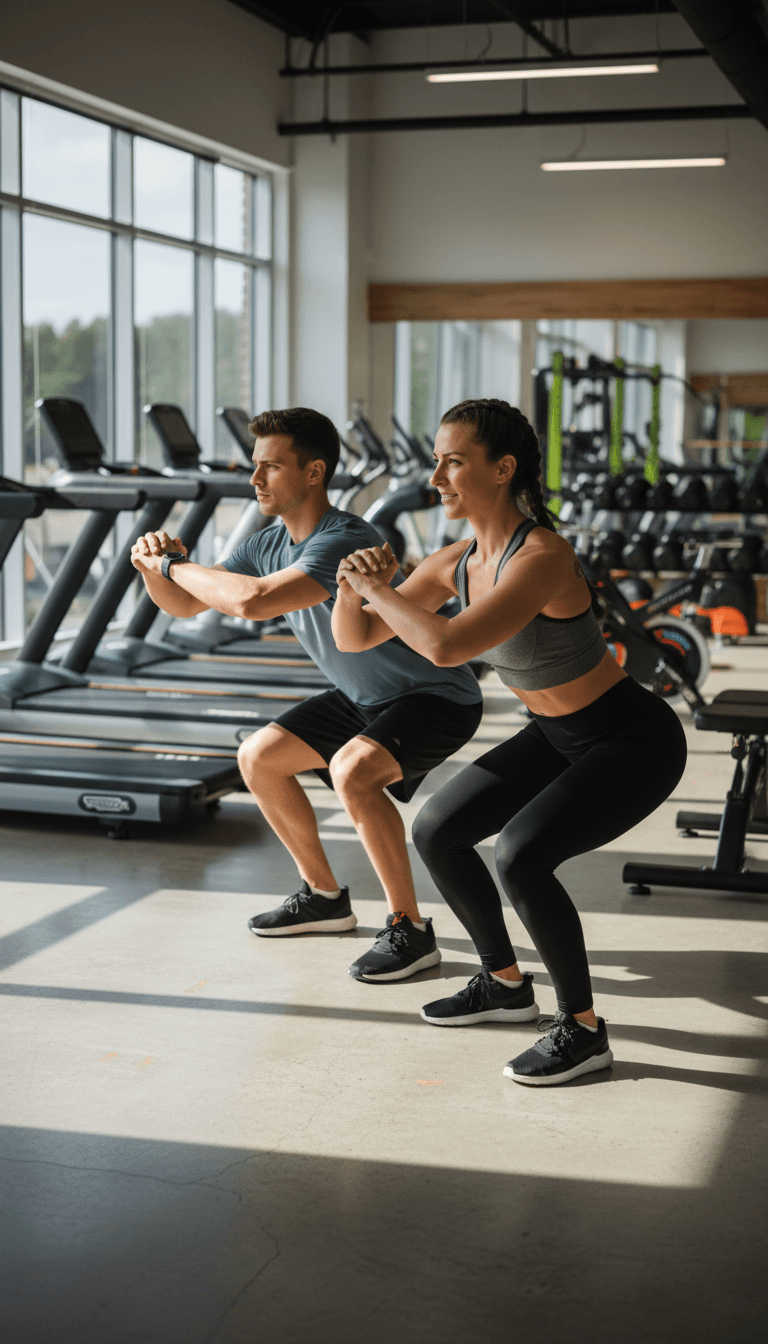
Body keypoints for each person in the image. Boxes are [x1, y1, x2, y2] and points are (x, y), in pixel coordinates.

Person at [332, 398, 687, 1085]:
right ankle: (502, 983)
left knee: (521, 855)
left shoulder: (544, 555)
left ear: (503, 469)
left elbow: (445, 645)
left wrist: (379, 588)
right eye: (436, 461)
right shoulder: (456, 561)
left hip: (631, 737)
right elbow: (356, 640)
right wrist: (355, 588)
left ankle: (582, 1030)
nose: (437, 477)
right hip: (556, 733)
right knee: (437, 828)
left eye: (454, 462)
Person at [130, 406, 482, 983]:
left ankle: (409, 930)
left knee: (355, 773)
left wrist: (174, 564)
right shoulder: (268, 542)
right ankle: (323, 896)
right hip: (362, 693)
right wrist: (155, 570)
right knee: (259, 758)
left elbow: (253, 602)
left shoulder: (345, 537)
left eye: (271, 466)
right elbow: (191, 603)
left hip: (433, 693)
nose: (256, 480)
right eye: (255, 467)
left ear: (314, 472)